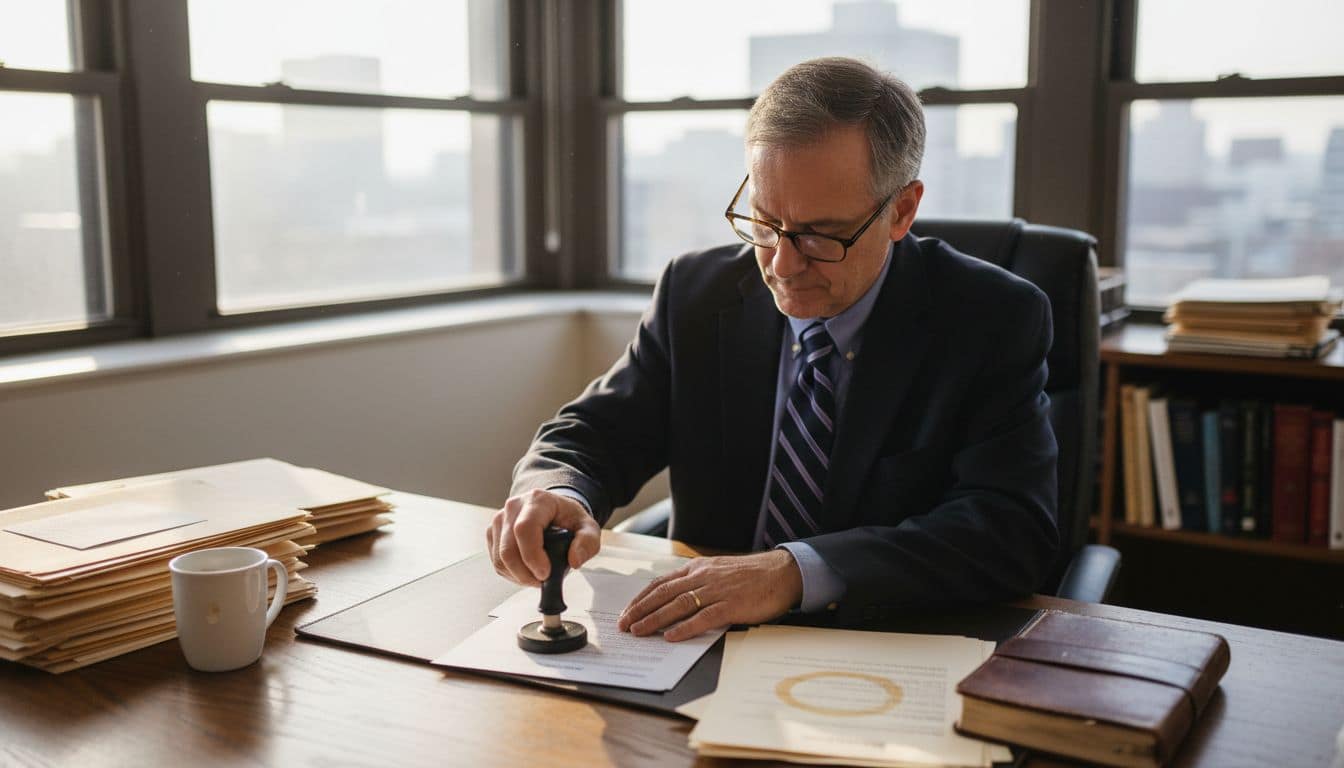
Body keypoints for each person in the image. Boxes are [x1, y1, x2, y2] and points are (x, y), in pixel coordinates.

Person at [487, 57, 1059, 642]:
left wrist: (797, 571)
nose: (782, 266)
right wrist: (559, 490)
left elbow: (1010, 529)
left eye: (819, 234)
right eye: (764, 220)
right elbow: (595, 432)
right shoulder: (696, 293)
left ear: (902, 211)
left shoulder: (991, 317)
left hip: (886, 640)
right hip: (698, 641)